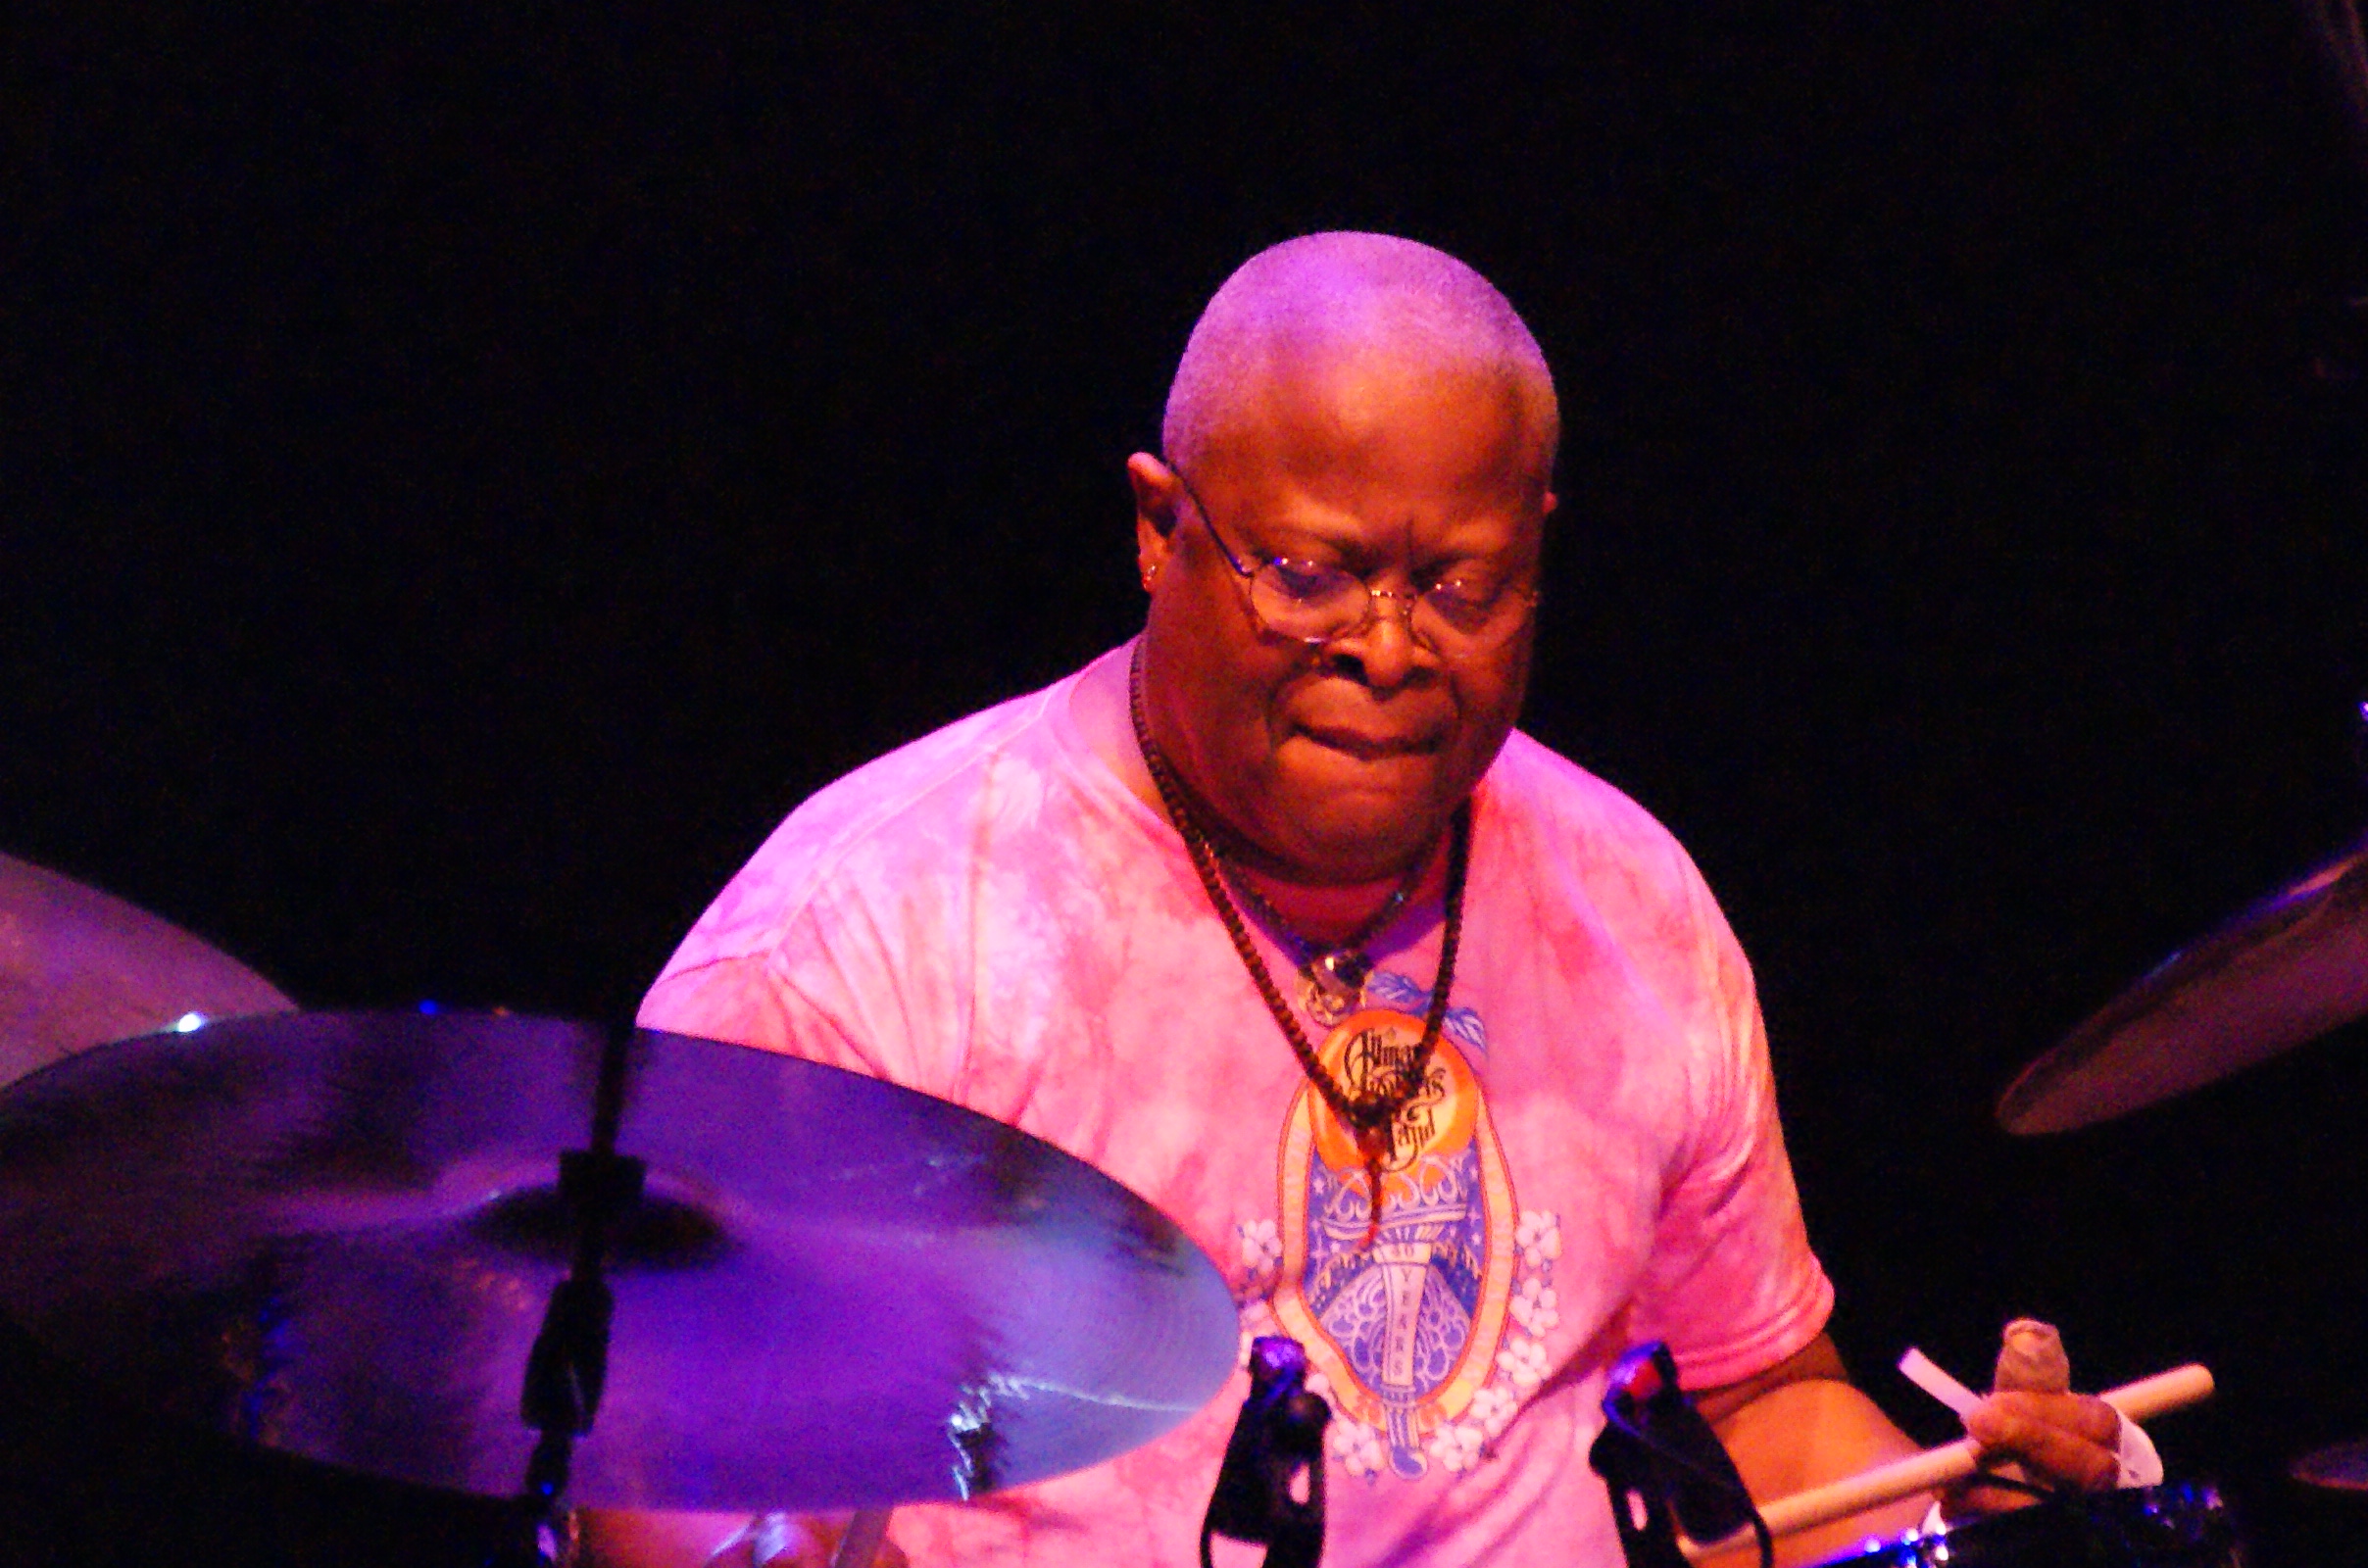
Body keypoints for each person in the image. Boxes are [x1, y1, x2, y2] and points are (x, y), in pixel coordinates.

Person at [609, 233, 2129, 1567]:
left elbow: (1763, 1407)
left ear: (1541, 550)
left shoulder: (1631, 899)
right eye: (1309, 573)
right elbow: (652, 1472)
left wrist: (1954, 1513)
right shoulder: (857, 939)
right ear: (1158, 529)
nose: (1390, 649)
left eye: (1461, 587)